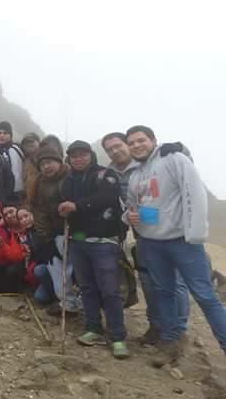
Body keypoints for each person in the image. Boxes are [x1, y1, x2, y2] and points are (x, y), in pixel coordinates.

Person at [125, 125, 226, 366]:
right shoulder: (135, 176)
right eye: (132, 143)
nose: (137, 145)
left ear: (153, 140)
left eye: (141, 140)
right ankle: (170, 344)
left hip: (184, 242)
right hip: (152, 243)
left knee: (205, 295)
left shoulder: (174, 159)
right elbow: (141, 208)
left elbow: (194, 193)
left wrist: (196, 234)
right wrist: (131, 218)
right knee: (164, 294)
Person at [102, 131, 189, 346]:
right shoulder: (110, 171)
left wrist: (181, 149)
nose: (115, 151)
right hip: (141, 233)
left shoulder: (150, 162)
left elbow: (182, 171)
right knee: (149, 280)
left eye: (118, 145)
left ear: (126, 144)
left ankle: (179, 330)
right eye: (109, 149)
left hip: (170, 231)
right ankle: (156, 325)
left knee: (174, 282)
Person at [58, 140, 128, 359]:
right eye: (74, 155)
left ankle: (118, 337)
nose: (78, 158)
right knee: (87, 287)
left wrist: (76, 206)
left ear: (91, 155)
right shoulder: (68, 181)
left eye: (83, 154)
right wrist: (61, 209)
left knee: (109, 290)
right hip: (78, 239)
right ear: (68, 158)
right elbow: (63, 203)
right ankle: (94, 329)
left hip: (104, 240)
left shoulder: (105, 175)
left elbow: (106, 198)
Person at [25, 146, 79, 315]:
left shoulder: (71, 176)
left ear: (59, 161)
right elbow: (39, 212)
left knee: (78, 269)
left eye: (50, 162)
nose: (46, 167)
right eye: (42, 164)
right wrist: (46, 237)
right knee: (57, 268)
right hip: (55, 234)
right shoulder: (39, 183)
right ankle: (67, 303)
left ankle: (85, 302)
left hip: (75, 232)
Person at [0, 121, 25, 201]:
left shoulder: (18, 149)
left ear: (10, 135)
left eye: (5, 133)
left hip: (18, 192)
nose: (2, 136)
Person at [21, 133, 41, 203]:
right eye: (26, 143)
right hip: (29, 200)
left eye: (31, 141)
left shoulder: (45, 157)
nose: (29, 144)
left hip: (43, 199)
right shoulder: (24, 160)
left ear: (38, 142)